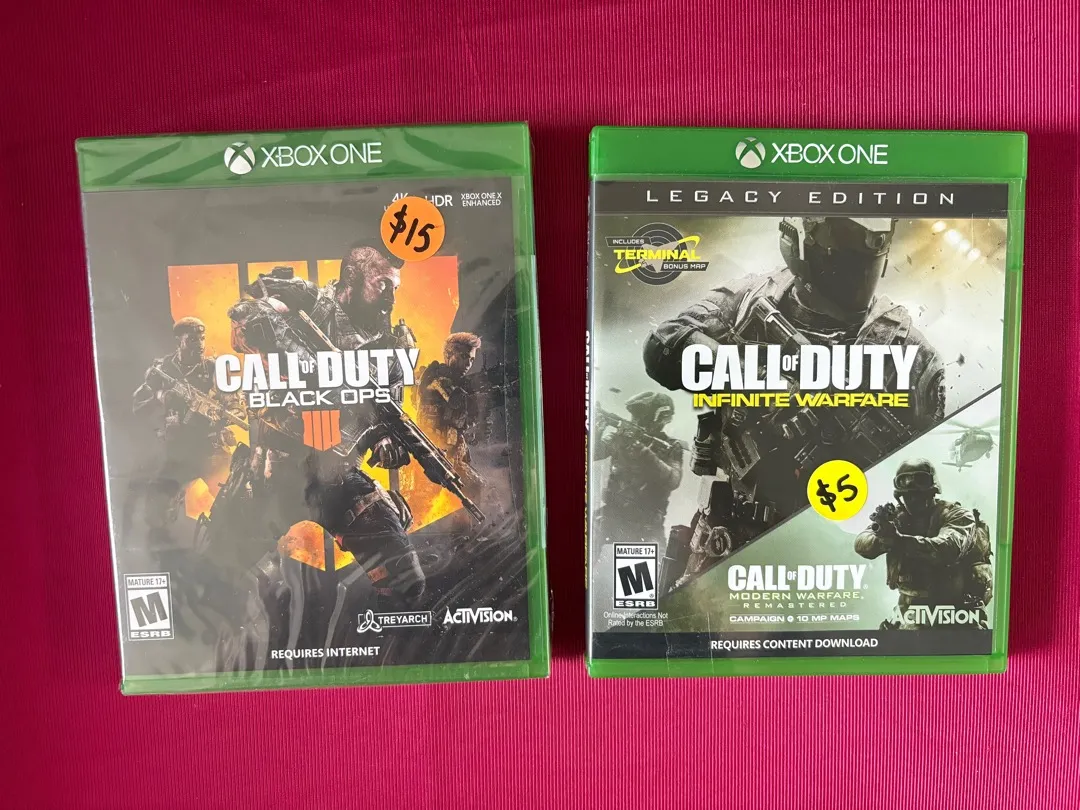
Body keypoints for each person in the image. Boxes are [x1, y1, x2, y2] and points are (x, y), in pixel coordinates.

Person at [643, 217, 945, 572]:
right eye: (843, 245)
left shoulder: (910, 352)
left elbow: (923, 480)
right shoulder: (751, 297)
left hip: (832, 553)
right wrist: (755, 379)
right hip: (728, 538)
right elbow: (663, 346)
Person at [855, 459, 992, 629]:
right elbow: (862, 544)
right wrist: (883, 537)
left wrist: (898, 540)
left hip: (953, 613)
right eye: (907, 496)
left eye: (918, 495)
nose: (912, 500)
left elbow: (948, 548)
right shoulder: (897, 517)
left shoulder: (957, 515)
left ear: (933, 492)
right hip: (909, 610)